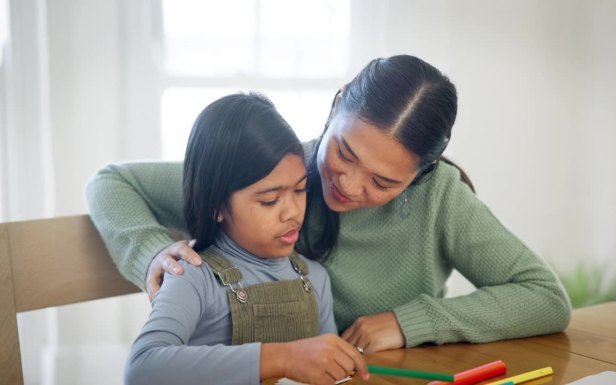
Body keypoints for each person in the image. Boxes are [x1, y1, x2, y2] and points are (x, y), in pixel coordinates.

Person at [87, 55, 571, 356]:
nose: (349, 185)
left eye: (383, 181)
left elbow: (544, 297)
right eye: (343, 152)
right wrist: (151, 251)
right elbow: (112, 182)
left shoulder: (440, 197)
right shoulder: (278, 174)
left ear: (421, 174)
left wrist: (410, 322)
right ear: (337, 104)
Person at [123, 93, 368, 385]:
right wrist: (283, 358)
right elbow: (141, 370)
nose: (292, 211)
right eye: (269, 200)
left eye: (300, 190)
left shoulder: (315, 277)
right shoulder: (193, 277)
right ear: (216, 207)